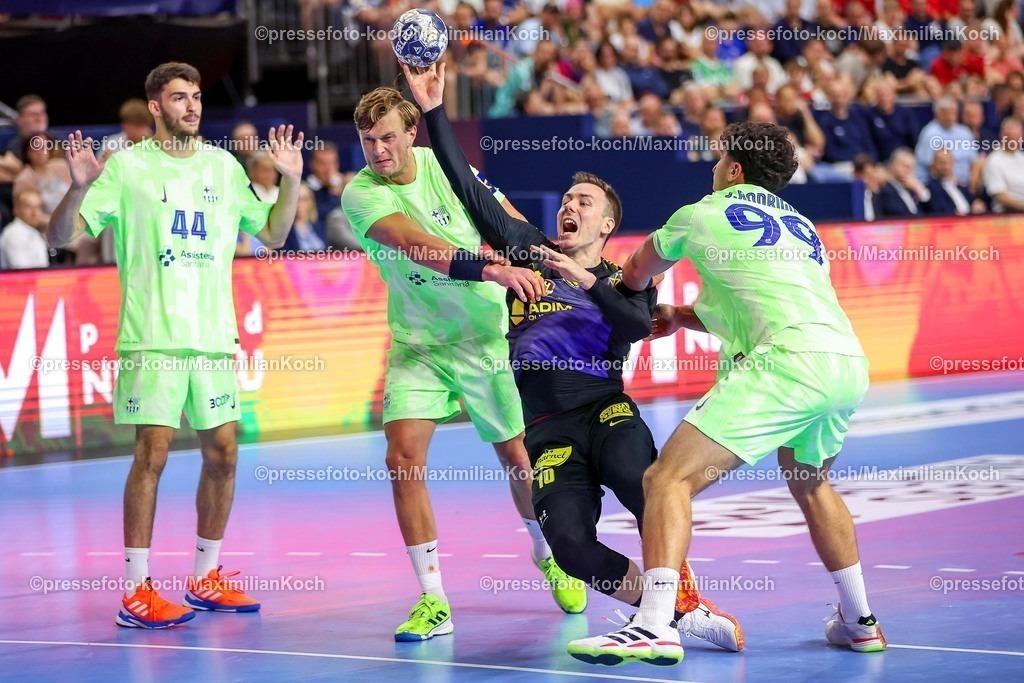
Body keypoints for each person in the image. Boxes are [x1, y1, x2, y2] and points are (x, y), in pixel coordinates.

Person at [405, 61, 746, 655]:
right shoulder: (528, 252)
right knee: (568, 547)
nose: (571, 205)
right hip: (546, 428)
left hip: (604, 410)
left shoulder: (625, 277)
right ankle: (674, 611)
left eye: (584, 201)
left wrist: (584, 279)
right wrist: (434, 110)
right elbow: (468, 189)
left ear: (606, 223)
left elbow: (635, 327)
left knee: (644, 486)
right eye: (567, 199)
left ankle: (669, 607)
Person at [569, 121, 884, 665]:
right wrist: (681, 317)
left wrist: (618, 307)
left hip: (787, 362)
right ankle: (860, 621)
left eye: (718, 161)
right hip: (845, 361)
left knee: (666, 479)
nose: (712, 169)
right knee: (811, 482)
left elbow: (636, 271)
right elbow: (755, 303)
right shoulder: (802, 227)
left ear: (735, 170)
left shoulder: (701, 213)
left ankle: (653, 625)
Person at [46, 61, 305, 629]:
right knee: (153, 455)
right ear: (156, 106)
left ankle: (205, 576)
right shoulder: (126, 168)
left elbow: (274, 233)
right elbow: (58, 237)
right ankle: (135, 591)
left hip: (212, 337)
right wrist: (79, 186)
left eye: (197, 96)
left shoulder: (223, 166)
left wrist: (290, 180)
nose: (192, 106)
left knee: (224, 454)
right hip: (153, 337)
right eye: (180, 97)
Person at [340, 85, 583, 642]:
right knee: (402, 460)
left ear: (411, 133)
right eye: (368, 140)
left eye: (388, 138)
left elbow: (501, 214)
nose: (378, 150)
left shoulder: (444, 166)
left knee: (519, 459)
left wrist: (543, 256)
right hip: (419, 345)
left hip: (484, 339)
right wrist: (492, 269)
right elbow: (414, 244)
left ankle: (547, 554)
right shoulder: (361, 193)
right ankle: (433, 599)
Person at [0, 189, 50, 269]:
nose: (35, 213)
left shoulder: (33, 232)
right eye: (28, 207)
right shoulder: (14, 234)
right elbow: (21, 270)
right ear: (16, 210)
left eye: (38, 207)